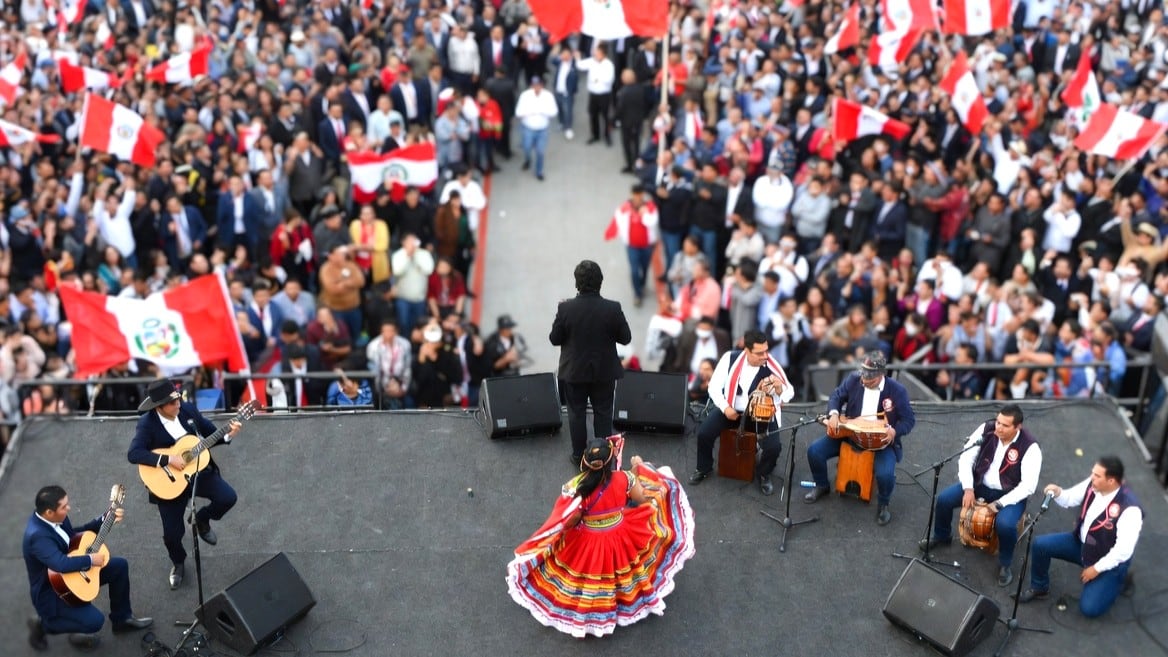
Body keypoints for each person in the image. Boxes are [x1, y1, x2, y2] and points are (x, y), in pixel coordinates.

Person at [505, 438, 695, 638]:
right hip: (622, 533)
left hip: (590, 541)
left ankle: (595, 612)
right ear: (611, 460)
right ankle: (623, 599)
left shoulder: (575, 486)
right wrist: (638, 467)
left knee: (586, 577)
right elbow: (641, 499)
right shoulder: (625, 478)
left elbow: (569, 520)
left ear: (585, 461)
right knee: (626, 569)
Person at [127, 379, 241, 590]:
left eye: (178, 399)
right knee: (172, 535)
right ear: (158, 407)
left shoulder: (187, 410)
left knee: (228, 497)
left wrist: (227, 435)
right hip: (168, 482)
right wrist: (168, 460)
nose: (178, 405)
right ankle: (178, 561)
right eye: (172, 403)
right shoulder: (146, 423)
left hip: (197, 472)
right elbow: (134, 454)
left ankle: (201, 519)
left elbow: (209, 433)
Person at [918, 404, 1042, 587]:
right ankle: (941, 536)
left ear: (1018, 427)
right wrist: (968, 488)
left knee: (1005, 525)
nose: (998, 427)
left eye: (1005, 425)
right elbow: (966, 458)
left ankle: (1005, 563)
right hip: (978, 485)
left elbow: (1028, 486)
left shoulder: (1031, 447)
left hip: (1009, 494)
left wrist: (999, 504)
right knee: (944, 500)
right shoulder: (987, 429)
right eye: (998, 422)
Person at [23, 486, 153, 651]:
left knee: (119, 566)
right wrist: (91, 559)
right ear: (49, 512)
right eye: (64, 506)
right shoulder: (37, 536)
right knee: (95, 621)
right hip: (54, 590)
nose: (68, 508)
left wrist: (105, 520)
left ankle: (122, 619)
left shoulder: (56, 517)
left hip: (74, 573)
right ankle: (42, 626)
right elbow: (60, 564)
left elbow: (73, 536)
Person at [1018, 455, 1143, 618]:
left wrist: (1096, 569)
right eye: (1093, 473)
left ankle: (1120, 580)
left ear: (1111, 481)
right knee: (1041, 545)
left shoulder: (1130, 510)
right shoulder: (1094, 485)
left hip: (1106, 558)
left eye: (1097, 476)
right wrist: (1058, 493)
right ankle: (1040, 587)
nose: (1092, 478)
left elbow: (1123, 551)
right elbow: (1070, 498)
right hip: (1081, 544)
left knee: (1089, 609)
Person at [804, 351, 915, 525]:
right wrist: (833, 414)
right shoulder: (854, 379)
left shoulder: (897, 390)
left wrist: (894, 431)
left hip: (881, 443)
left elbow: (909, 420)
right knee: (814, 451)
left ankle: (883, 504)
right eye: (863, 374)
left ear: (881, 375)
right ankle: (821, 485)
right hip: (851, 434)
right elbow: (836, 396)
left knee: (885, 475)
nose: (864, 380)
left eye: (870, 377)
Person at [689, 329, 794, 495]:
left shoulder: (772, 364)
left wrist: (780, 389)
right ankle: (704, 467)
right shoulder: (729, 359)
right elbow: (714, 387)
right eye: (759, 353)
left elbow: (790, 393)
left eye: (766, 350)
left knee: (774, 447)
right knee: (704, 434)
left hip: (761, 413)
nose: (765, 356)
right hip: (732, 408)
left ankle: (764, 474)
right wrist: (725, 408)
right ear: (747, 350)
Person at [549, 260, 633, 462]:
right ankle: (602, 455)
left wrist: (559, 313)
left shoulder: (565, 309)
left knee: (576, 413)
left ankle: (579, 455)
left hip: (574, 372)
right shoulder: (613, 308)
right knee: (603, 413)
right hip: (604, 372)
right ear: (600, 282)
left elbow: (555, 339)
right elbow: (626, 338)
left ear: (577, 282)